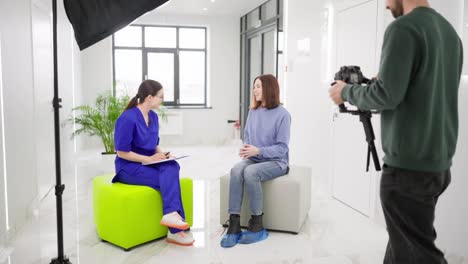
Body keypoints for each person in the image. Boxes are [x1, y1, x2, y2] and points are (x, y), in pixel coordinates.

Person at [329, 0, 463, 263]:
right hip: (437, 166)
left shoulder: (403, 29)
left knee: (418, 253)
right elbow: (423, 93)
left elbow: (386, 96)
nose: (387, 5)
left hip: (407, 171)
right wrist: (386, 79)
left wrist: (344, 91)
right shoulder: (451, 34)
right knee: (405, 245)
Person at [113, 80, 194, 246]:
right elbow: (121, 152)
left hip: (148, 163)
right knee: (169, 180)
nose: (162, 100)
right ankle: (176, 230)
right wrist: (149, 159)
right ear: (149, 98)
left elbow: (154, 143)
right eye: (160, 97)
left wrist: (163, 154)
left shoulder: (153, 117)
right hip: (129, 167)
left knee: (172, 165)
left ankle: (172, 217)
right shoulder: (127, 118)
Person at [221, 74, 291, 248]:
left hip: (277, 162)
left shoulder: (283, 115)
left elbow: (282, 148)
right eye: (254, 86)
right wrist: (247, 149)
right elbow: (247, 137)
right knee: (236, 170)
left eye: (258, 86)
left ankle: (257, 225)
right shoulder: (253, 111)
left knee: (250, 172)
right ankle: (234, 224)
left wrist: (258, 150)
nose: (255, 90)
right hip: (255, 158)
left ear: (269, 88)